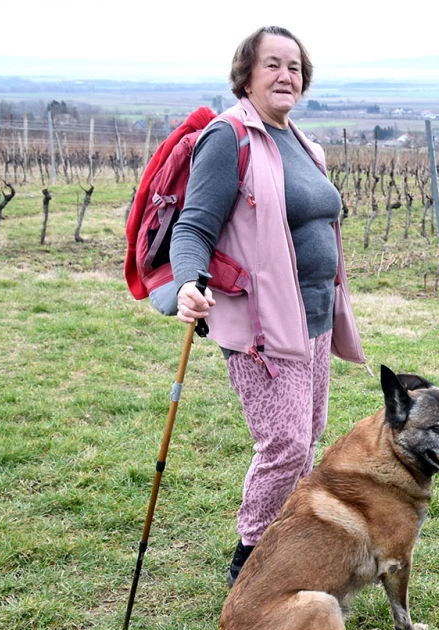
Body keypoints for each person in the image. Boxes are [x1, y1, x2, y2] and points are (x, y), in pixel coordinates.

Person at [170, 25, 368, 586]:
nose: (287, 76)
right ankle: (250, 563)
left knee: (306, 438)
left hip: (312, 320)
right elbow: (194, 225)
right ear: (247, 75)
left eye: (296, 67)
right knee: (283, 445)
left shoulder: (303, 144)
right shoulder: (227, 137)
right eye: (273, 65)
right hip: (260, 325)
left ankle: (288, 551)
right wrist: (189, 280)